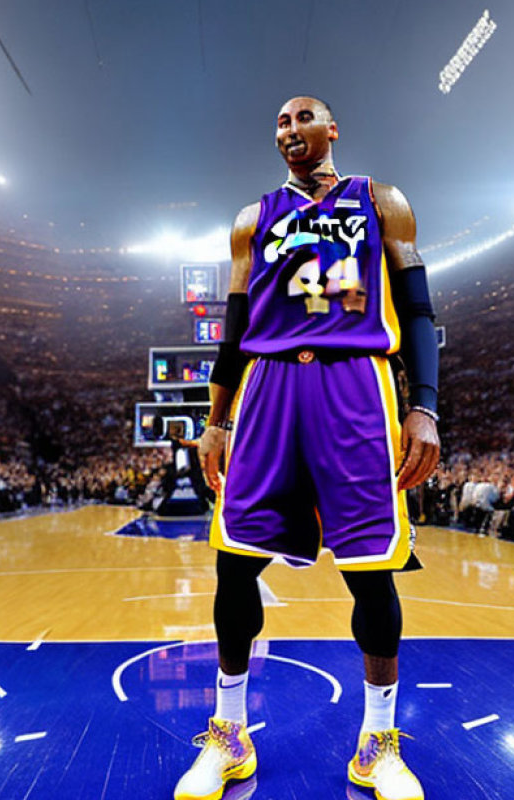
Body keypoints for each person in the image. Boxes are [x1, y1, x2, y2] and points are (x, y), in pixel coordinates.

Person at [175, 96, 439, 800]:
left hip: (358, 386)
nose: (288, 130)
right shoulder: (250, 218)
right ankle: (228, 737)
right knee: (236, 565)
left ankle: (377, 745)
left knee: (371, 571)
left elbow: (415, 309)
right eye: (281, 123)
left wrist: (425, 407)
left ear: (333, 129)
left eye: (302, 118)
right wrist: (216, 418)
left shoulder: (381, 201)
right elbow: (233, 327)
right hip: (266, 389)